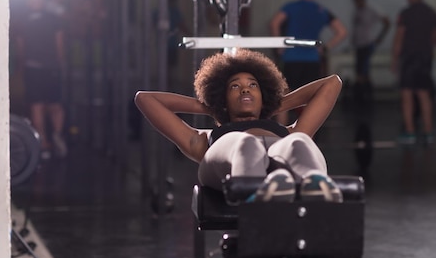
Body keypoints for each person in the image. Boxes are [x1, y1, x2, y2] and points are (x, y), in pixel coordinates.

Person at [134, 49, 343, 202]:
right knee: (245, 143)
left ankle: (316, 188)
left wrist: (269, 106)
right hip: (229, 160)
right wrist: (212, 107)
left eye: (253, 85)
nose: (245, 90)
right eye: (235, 86)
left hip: (281, 164)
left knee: (300, 142)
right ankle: (254, 197)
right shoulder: (202, 139)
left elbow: (332, 83)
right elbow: (145, 99)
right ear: (222, 98)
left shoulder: (289, 132)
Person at [269, 0, 347, 124]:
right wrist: (325, 48)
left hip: (291, 58)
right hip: (312, 59)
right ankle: (308, 135)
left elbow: (274, 23)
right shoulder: (321, 10)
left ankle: (280, 135)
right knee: (311, 98)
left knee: (284, 98)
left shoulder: (290, 7)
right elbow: (342, 31)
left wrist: (279, 46)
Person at [16, 0, 68, 159]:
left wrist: (22, 67)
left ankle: (46, 143)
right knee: (50, 105)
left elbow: (21, 48)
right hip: (46, 68)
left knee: (41, 105)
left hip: (38, 68)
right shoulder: (52, 20)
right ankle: (51, 138)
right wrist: (60, 64)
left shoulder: (24, 21)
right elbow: (59, 44)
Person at [391, 0, 436, 145]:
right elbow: (434, 38)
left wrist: (395, 60)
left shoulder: (406, 13)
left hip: (409, 58)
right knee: (424, 95)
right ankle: (428, 132)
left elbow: (399, 38)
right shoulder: (431, 13)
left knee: (407, 95)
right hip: (425, 58)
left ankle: (410, 133)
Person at [351, 0, 390, 102]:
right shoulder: (356, 11)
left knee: (362, 71)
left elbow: (387, 22)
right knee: (362, 72)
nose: (357, 3)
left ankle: (364, 98)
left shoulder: (371, 10)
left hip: (367, 44)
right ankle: (365, 98)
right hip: (358, 45)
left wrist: (380, 38)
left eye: (358, 1)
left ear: (362, 0)